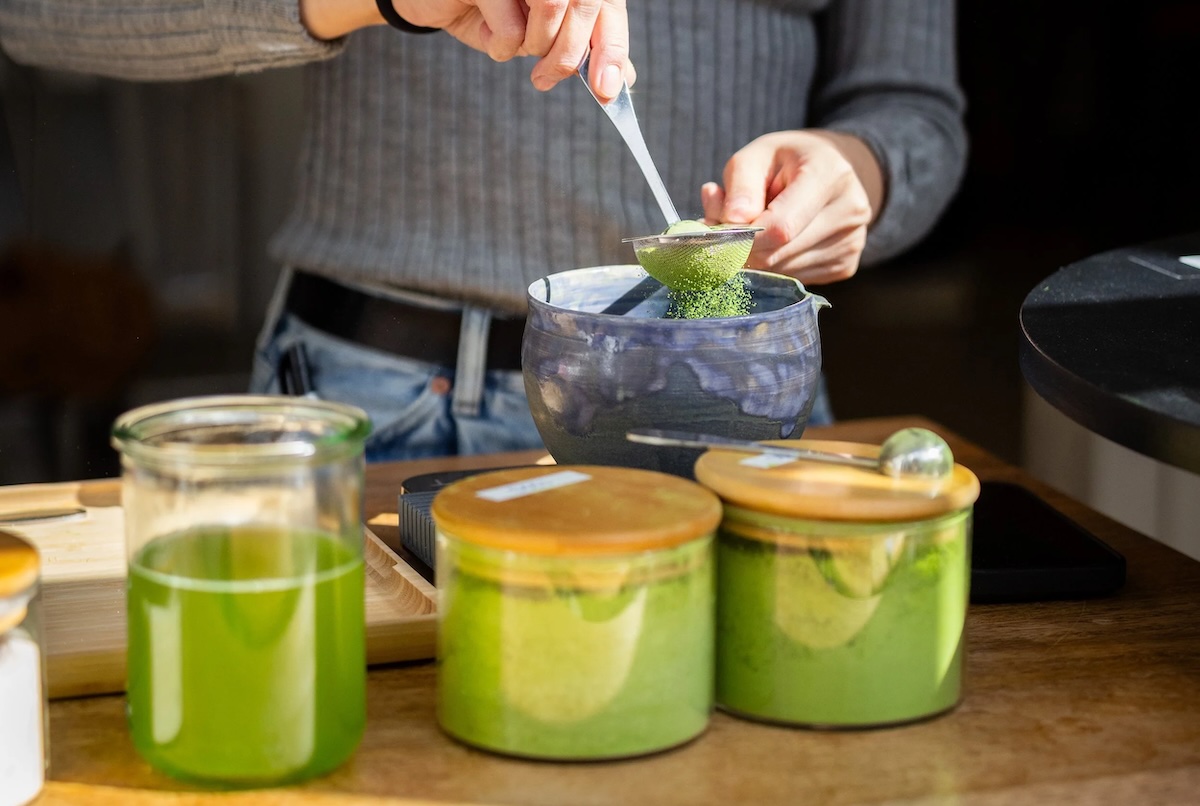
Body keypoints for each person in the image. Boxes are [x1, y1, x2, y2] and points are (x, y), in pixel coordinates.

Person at [0, 0, 966, 462]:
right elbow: (42, 18)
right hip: (378, 410)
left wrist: (862, 171)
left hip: (740, 405)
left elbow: (914, 106)